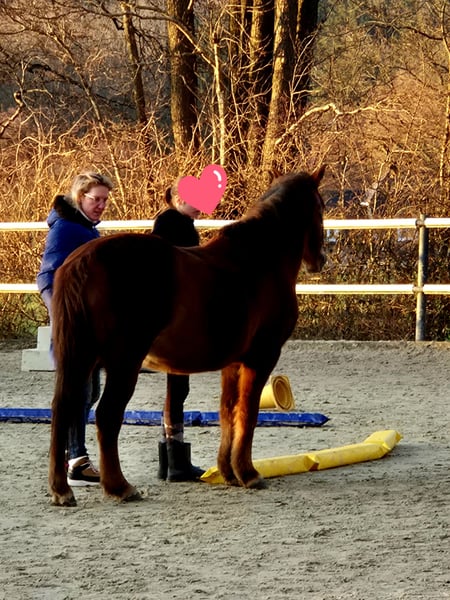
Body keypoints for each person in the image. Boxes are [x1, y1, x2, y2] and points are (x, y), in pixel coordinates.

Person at [37, 171, 113, 486]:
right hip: (74, 324)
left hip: (88, 322)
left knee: (89, 391)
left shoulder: (85, 229)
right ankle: (77, 458)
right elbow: (47, 277)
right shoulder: (67, 230)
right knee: (78, 390)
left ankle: (74, 455)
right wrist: (61, 314)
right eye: (96, 199)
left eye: (105, 200)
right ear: (80, 197)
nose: (102, 205)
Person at [152, 180, 205, 482]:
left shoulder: (175, 222)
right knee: (178, 384)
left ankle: (170, 458)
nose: (202, 208)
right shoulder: (174, 224)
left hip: (174, 305)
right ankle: (175, 459)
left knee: (178, 386)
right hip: (175, 309)